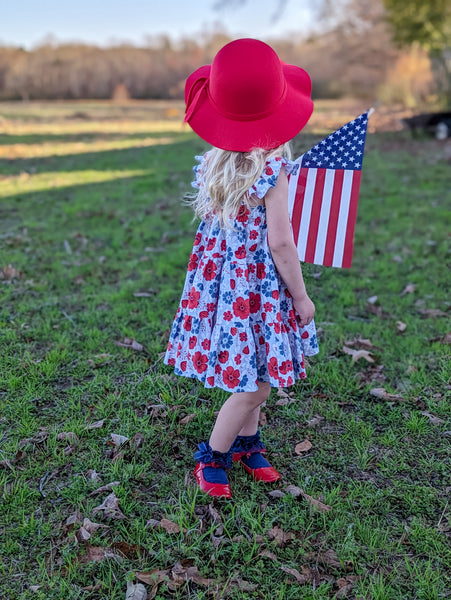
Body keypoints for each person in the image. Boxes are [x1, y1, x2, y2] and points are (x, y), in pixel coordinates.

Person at [164, 38, 319, 499]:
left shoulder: (214, 163)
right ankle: (212, 454)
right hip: (257, 288)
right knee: (257, 388)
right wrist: (301, 296)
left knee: (256, 370)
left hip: (227, 288)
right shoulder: (273, 170)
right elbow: (281, 242)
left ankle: (247, 444)